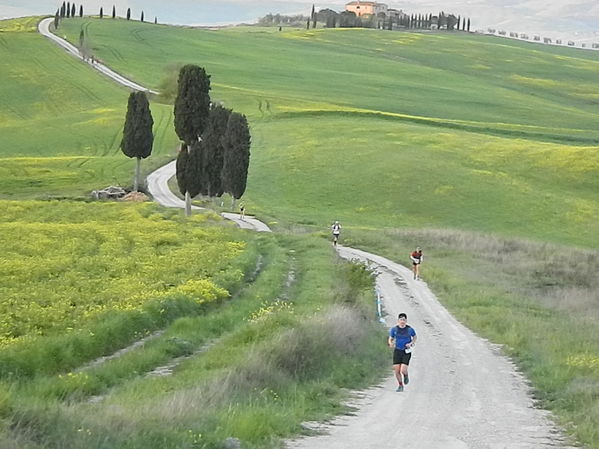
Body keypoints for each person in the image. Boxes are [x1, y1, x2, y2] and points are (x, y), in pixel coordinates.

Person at [388, 313, 417, 392]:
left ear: (406, 321)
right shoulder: (394, 329)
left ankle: (406, 375)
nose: (402, 321)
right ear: (398, 321)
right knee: (397, 370)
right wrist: (391, 343)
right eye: (401, 320)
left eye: (404, 320)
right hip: (397, 351)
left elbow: (414, 337)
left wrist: (411, 343)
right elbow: (390, 338)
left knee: (403, 370)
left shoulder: (409, 329)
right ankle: (400, 385)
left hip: (406, 351)